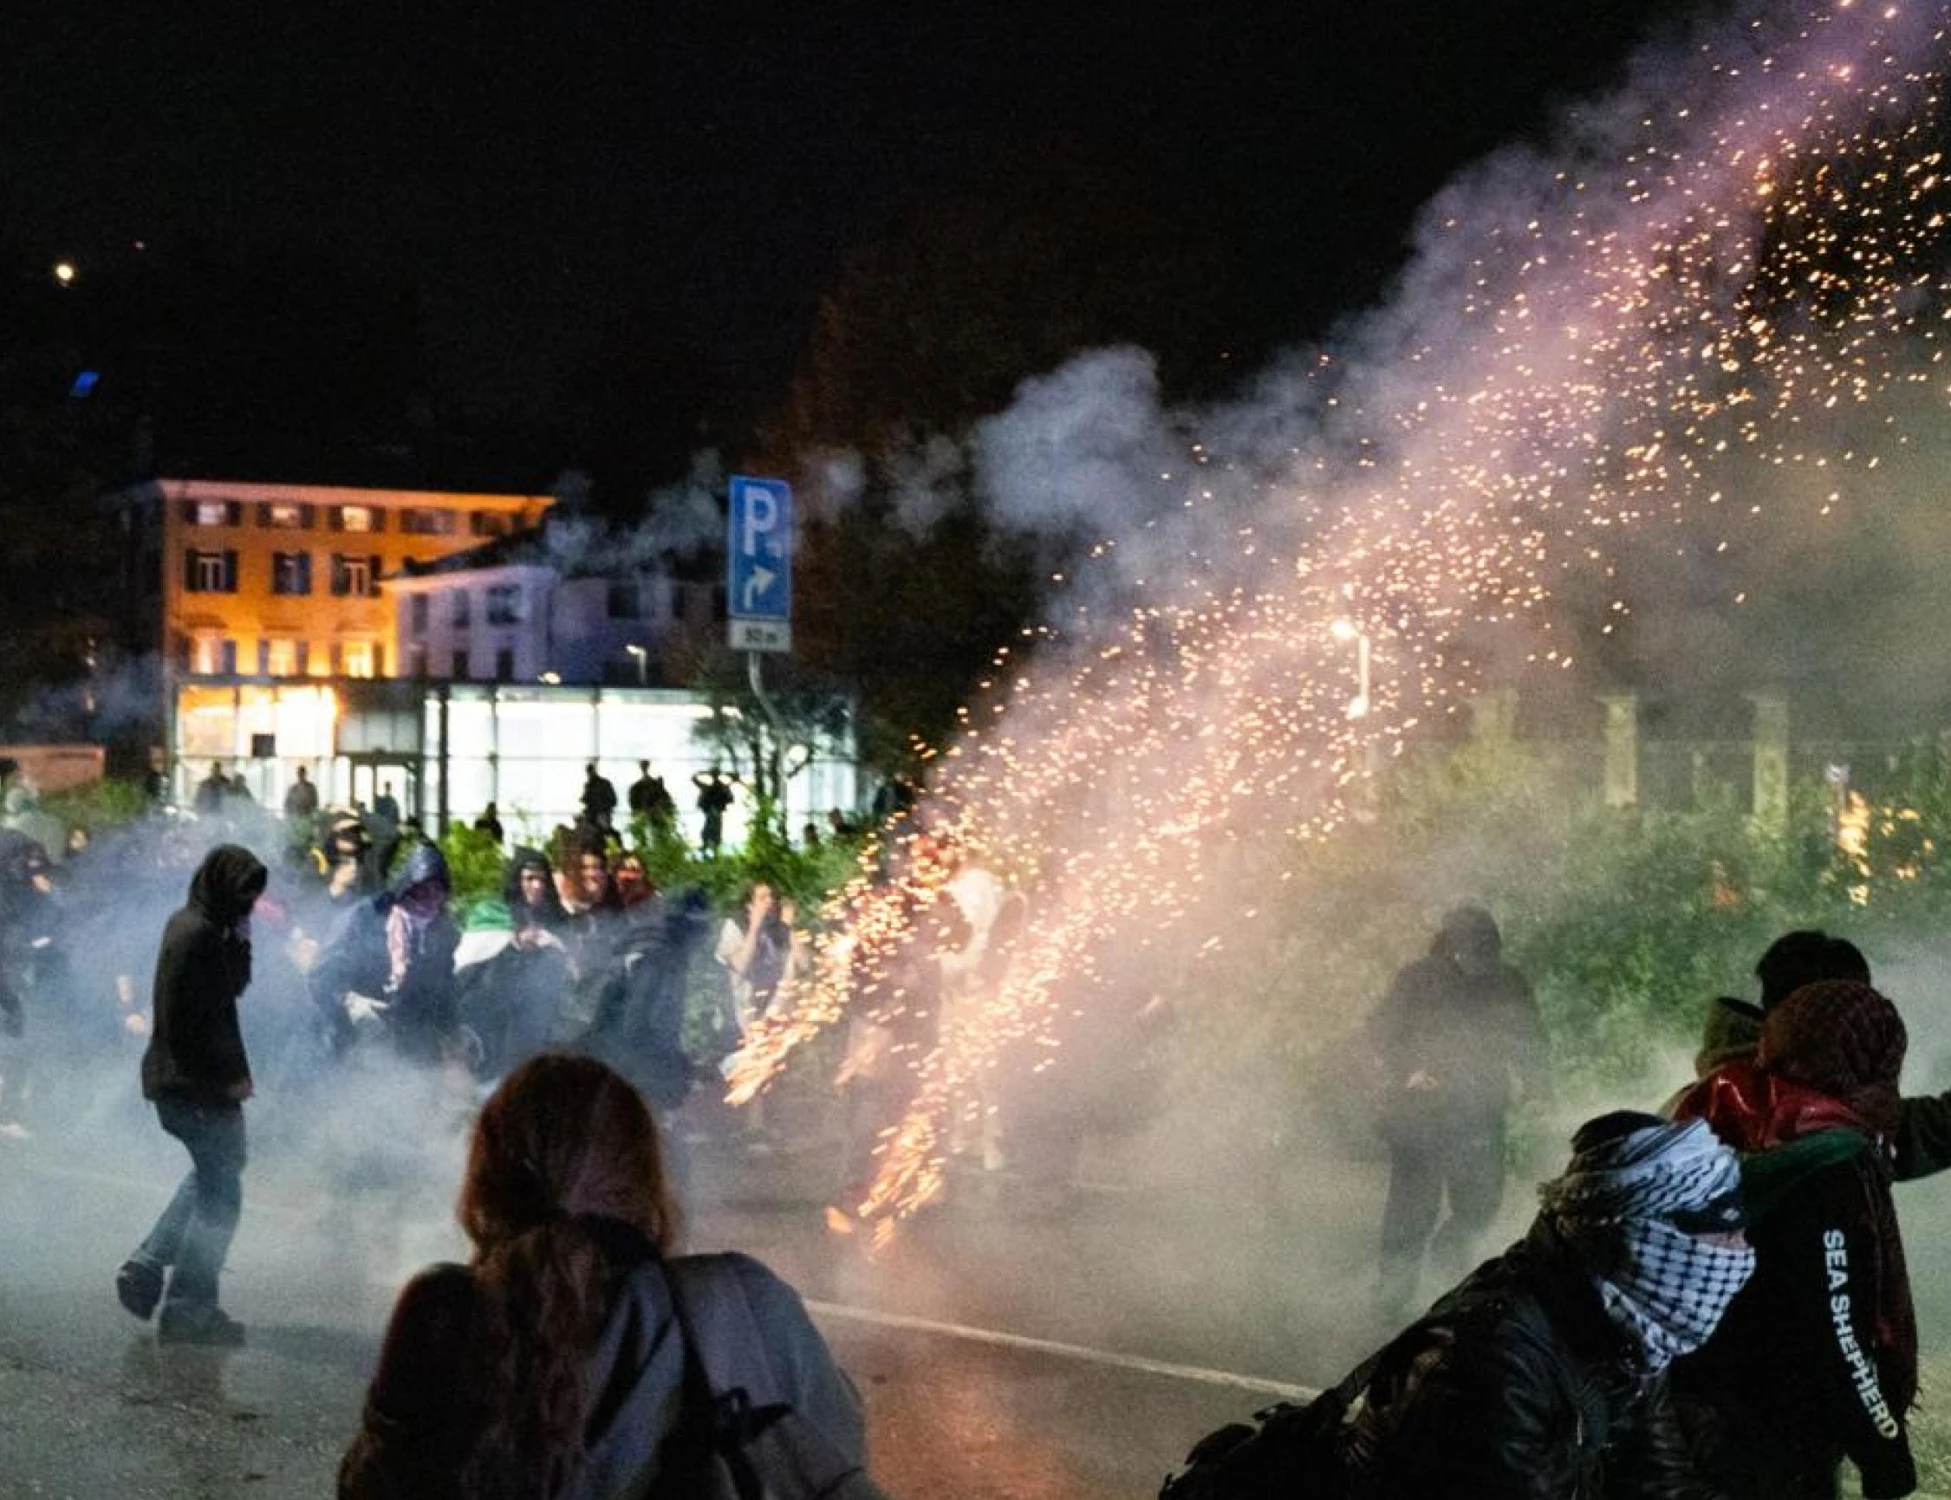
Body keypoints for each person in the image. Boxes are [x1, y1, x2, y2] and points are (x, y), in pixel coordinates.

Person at [338, 1052, 872, 1500]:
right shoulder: (742, 1304)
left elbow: (372, 1489)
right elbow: (831, 1457)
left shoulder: (441, 1310)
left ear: (490, 1176)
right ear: (644, 1178)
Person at [1322, 1112, 1753, 1498]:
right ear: (1642, 1240)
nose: (1739, 1255)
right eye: (1720, 1237)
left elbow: (1662, 1480)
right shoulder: (1497, 1365)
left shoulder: (1626, 1328)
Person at [1666, 979, 1917, 1498]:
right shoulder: (1827, 1157)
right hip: (1775, 1427)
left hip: (1684, 1407)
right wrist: (1882, 1446)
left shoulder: (1712, 1107)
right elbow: (1836, 1326)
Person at [114, 844, 268, 1346]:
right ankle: (188, 1306)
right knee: (222, 1195)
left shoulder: (210, 930)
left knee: (214, 1178)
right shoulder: (191, 933)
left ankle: (147, 1265)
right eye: (243, 893)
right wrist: (227, 1076)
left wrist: (241, 939)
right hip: (189, 1083)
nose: (248, 904)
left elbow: (233, 990)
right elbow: (186, 1020)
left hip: (195, 1083)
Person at [1366, 904, 1548, 1319]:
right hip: (1420, 1113)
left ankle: (1449, 1271)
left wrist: (1539, 1091)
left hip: (1481, 1108)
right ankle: (1392, 1292)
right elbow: (1379, 1033)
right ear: (1449, 946)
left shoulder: (1508, 983)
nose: (1477, 960)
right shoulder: (1416, 979)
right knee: (1413, 1205)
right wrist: (1408, 1070)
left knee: (1482, 1202)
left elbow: (1531, 1040)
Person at [310, 843, 461, 1065]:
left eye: (437, 890)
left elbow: (443, 990)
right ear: (406, 886)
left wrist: (454, 1032)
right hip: (353, 1039)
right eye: (421, 889)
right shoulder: (364, 917)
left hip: (411, 1043)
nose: (428, 898)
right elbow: (321, 975)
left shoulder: (443, 930)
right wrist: (349, 1002)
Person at [692, 766, 735, 856]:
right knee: (710, 832)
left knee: (710, 832)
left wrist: (704, 772)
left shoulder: (715, 787)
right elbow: (694, 779)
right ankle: (710, 852)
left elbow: (694, 779)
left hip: (714, 812)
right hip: (714, 812)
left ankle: (710, 851)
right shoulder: (715, 787)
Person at [627, 760, 675, 830]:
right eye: (643, 766)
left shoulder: (657, 785)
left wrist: (659, 806)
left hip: (658, 819)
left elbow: (668, 801)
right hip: (645, 819)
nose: (645, 768)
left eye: (645, 766)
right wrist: (646, 810)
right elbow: (634, 805)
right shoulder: (636, 787)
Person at [580, 762, 619, 832]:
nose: (589, 774)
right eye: (588, 772)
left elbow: (613, 800)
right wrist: (584, 799)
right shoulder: (588, 785)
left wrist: (603, 806)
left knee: (606, 830)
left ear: (594, 771)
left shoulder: (605, 783)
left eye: (591, 771)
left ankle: (611, 842)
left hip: (603, 813)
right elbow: (586, 799)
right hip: (589, 814)